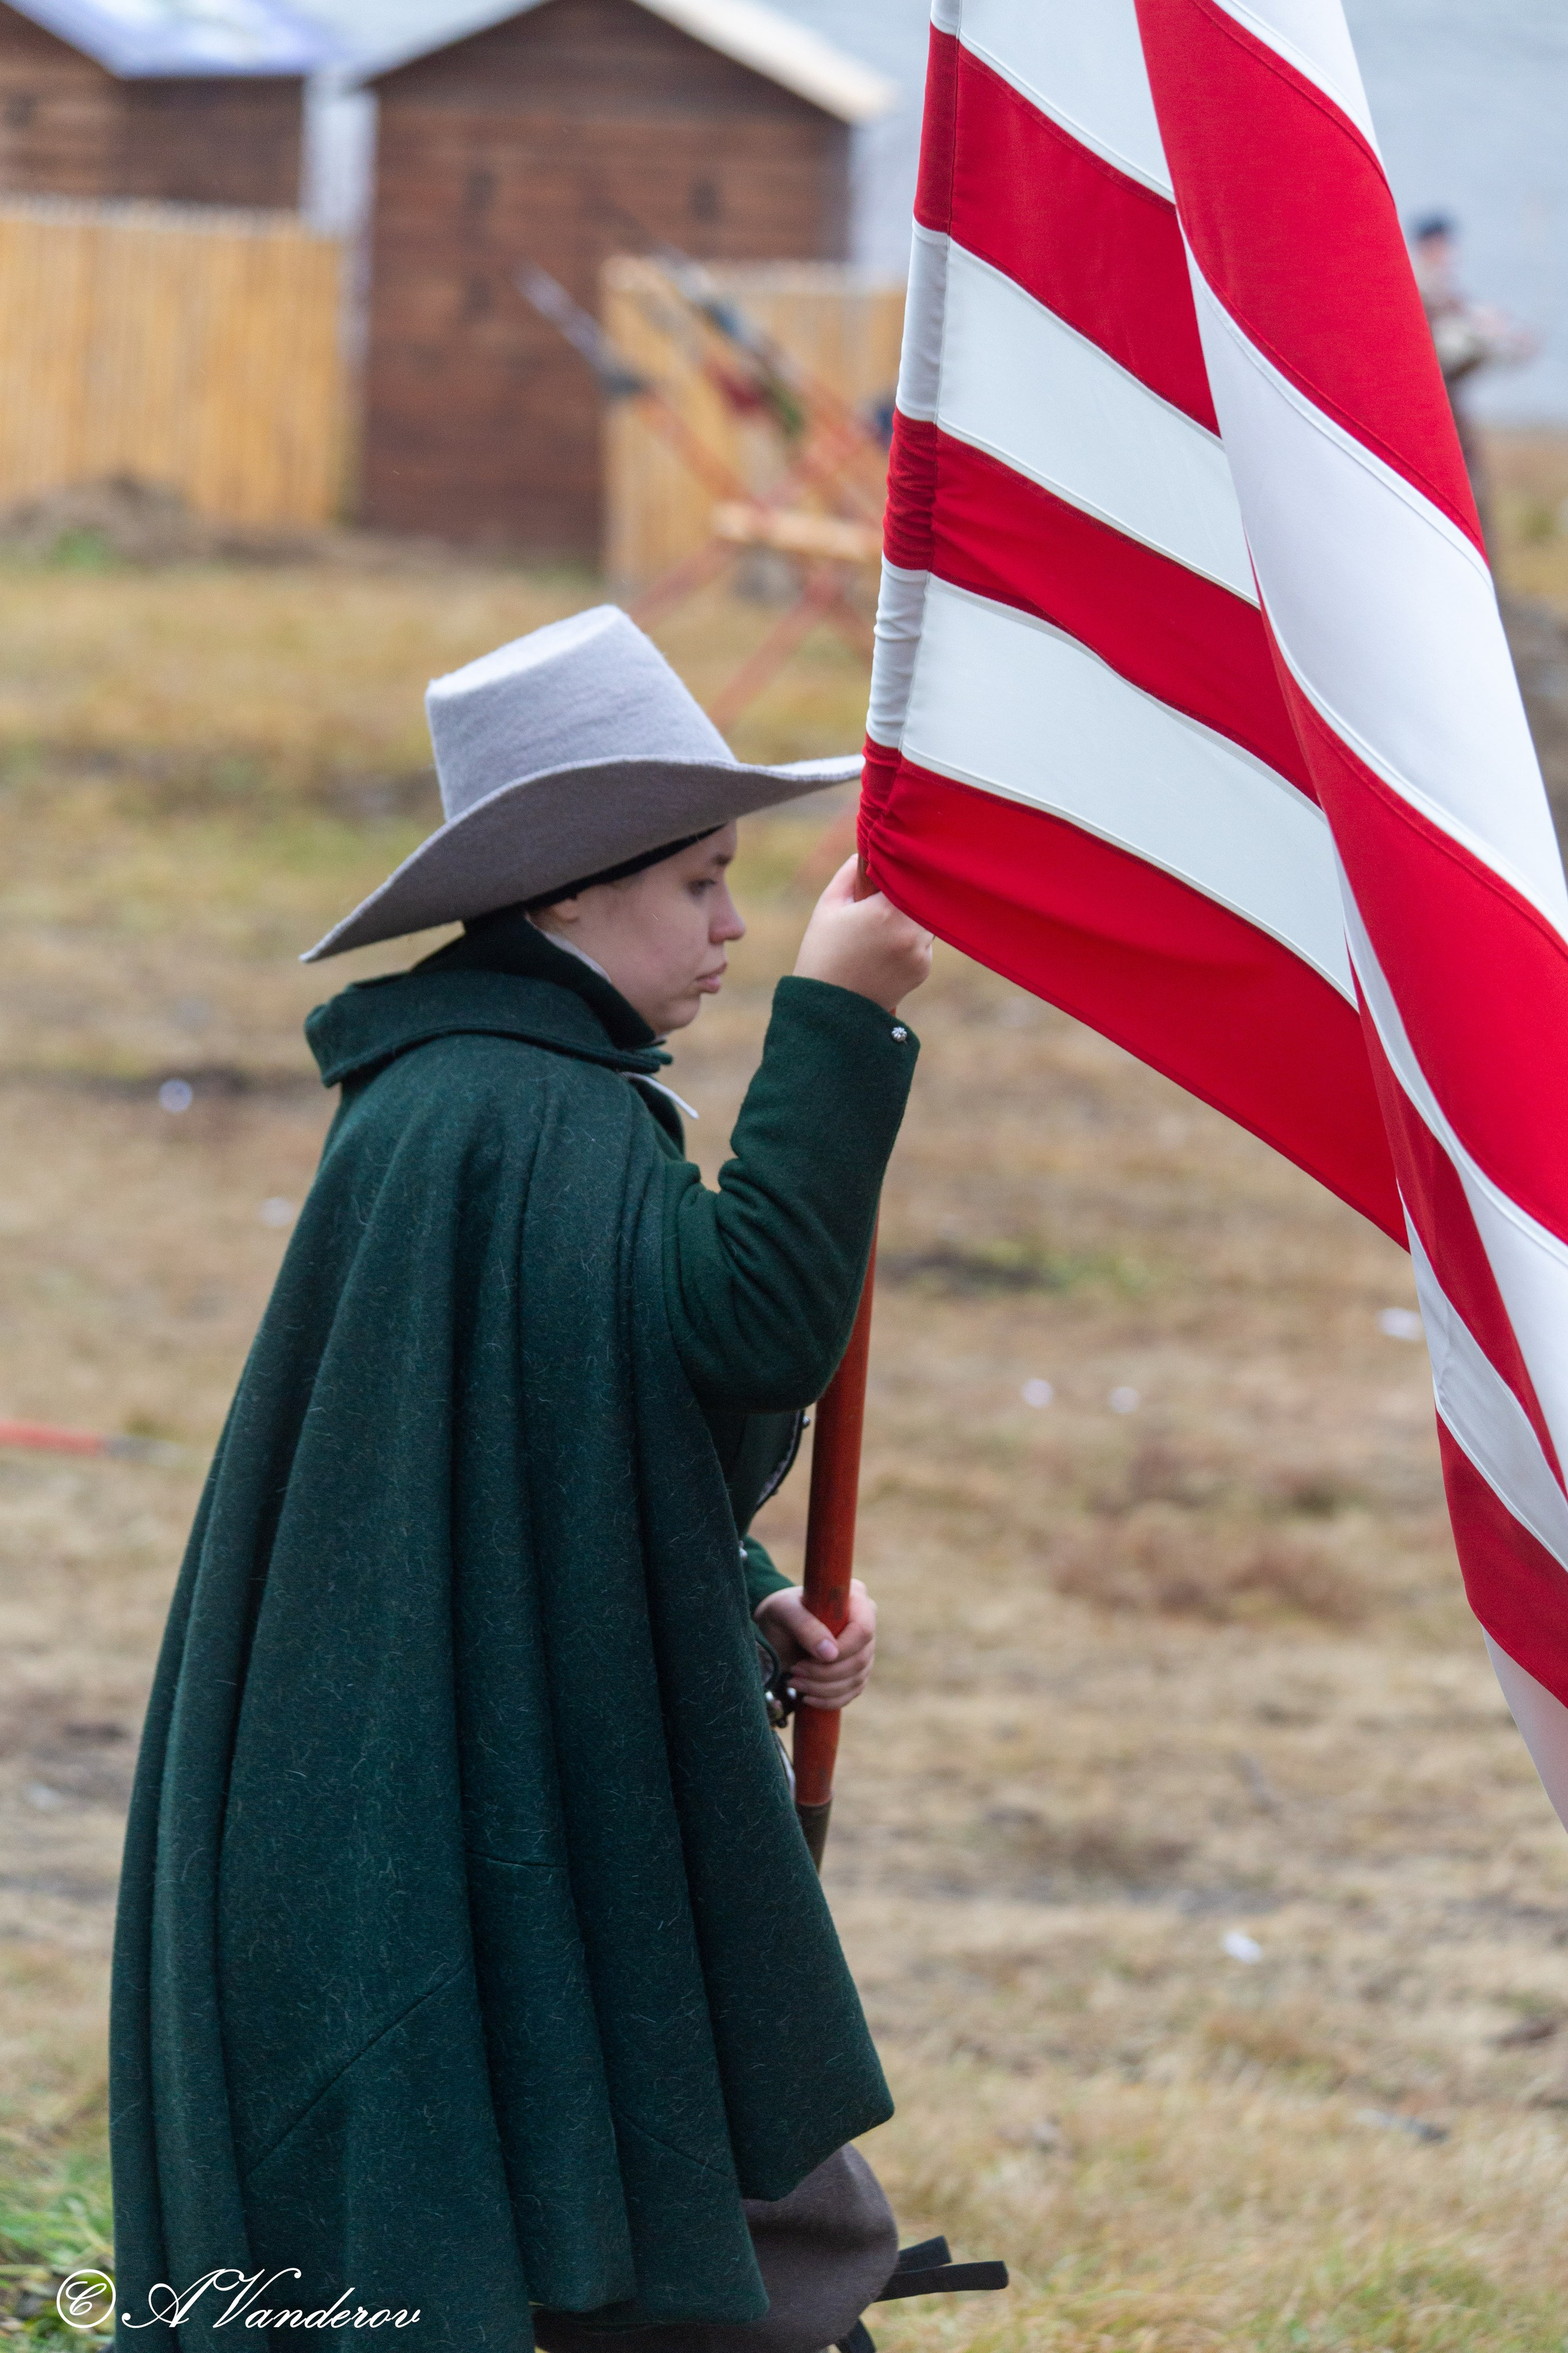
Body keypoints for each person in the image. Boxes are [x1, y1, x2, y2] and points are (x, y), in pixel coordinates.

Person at [108, 607, 944, 2353]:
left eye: (737, 888)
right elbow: (750, 1331)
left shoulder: (486, 1095)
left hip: (462, 1749)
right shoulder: (515, 1112)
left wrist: (730, 1596)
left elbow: (560, 1449)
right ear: (568, 891)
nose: (728, 922)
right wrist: (836, 1024)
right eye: (702, 882)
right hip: (418, 1794)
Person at [1411, 212, 1535, 537]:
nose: (1447, 254)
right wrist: (1494, 342)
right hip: (1432, 419)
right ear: (1428, 247)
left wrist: (1505, 340)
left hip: (1449, 415)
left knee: (1471, 502)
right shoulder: (1420, 290)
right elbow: (1447, 352)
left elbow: (1473, 329)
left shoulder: (1444, 293)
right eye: (1439, 246)